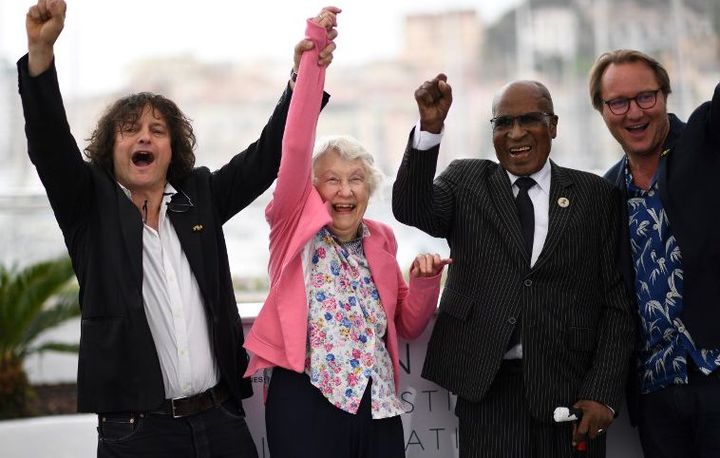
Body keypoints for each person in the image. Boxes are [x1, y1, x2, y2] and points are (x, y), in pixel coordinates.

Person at [18, 1, 337, 456]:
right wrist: (41, 53)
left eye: (157, 130)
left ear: (173, 149)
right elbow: (48, 143)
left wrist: (302, 79)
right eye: (130, 130)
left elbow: (266, 157)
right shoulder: (88, 210)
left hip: (221, 418)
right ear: (111, 150)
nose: (144, 137)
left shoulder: (199, 197)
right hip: (136, 433)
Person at [241, 10, 451, 458]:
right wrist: (315, 54)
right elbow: (295, 145)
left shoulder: (381, 240)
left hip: (377, 405)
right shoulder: (292, 227)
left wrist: (426, 282)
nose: (344, 189)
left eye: (356, 179)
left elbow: (409, 325)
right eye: (331, 179)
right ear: (313, 190)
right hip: (305, 399)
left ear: (368, 189)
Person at [392, 74, 635, 458]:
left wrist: (601, 393)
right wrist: (430, 129)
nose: (516, 133)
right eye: (503, 123)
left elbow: (618, 306)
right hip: (486, 388)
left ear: (552, 125)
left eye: (530, 119)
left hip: (569, 390)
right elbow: (410, 207)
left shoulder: (596, 197)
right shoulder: (466, 181)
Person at [589, 49, 720, 457]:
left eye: (646, 97)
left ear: (665, 96)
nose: (634, 113)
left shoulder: (707, 140)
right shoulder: (607, 192)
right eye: (618, 102)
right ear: (602, 111)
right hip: (656, 394)